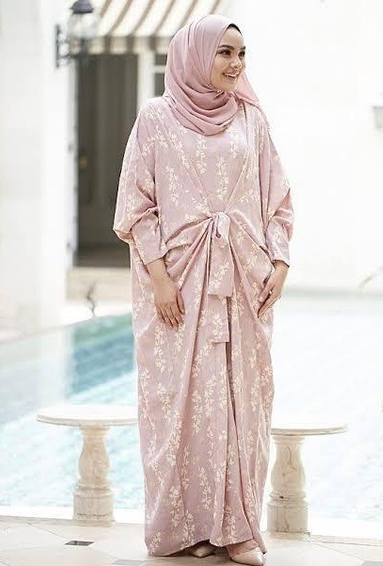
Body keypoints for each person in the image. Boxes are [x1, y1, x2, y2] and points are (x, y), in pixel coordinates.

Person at [113, 14, 294, 566]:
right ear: (195, 55)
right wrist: (159, 278)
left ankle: (237, 529)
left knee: (242, 401)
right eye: (224, 52)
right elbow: (137, 205)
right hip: (177, 285)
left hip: (242, 281)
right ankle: (186, 526)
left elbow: (278, 199)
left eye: (241, 53)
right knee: (179, 404)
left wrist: (279, 262)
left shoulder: (251, 119)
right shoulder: (156, 117)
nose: (236, 64)